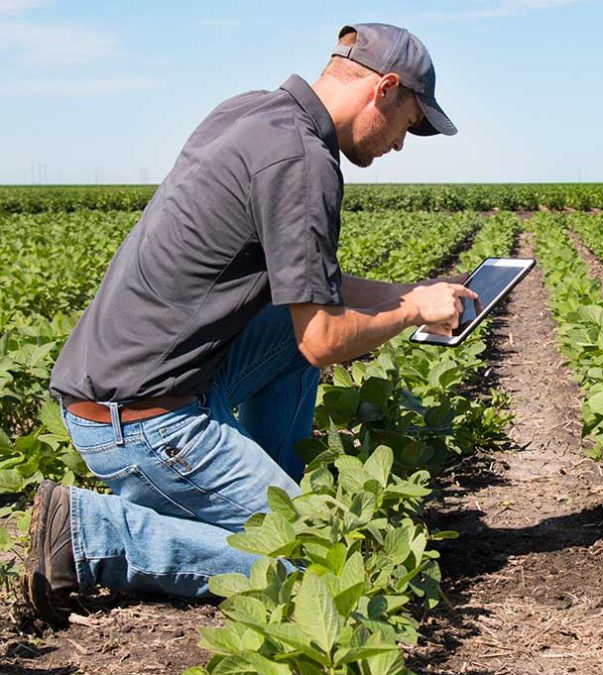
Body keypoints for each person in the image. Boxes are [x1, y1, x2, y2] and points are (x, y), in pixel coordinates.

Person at [22, 22, 477, 626]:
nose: (400, 144)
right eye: (410, 124)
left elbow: (313, 297)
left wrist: (407, 291)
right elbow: (322, 339)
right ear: (386, 89)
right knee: (318, 566)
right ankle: (93, 534)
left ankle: (263, 492)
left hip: (123, 387)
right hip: (140, 423)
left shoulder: (251, 115)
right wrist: (414, 311)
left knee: (286, 330)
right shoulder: (303, 162)